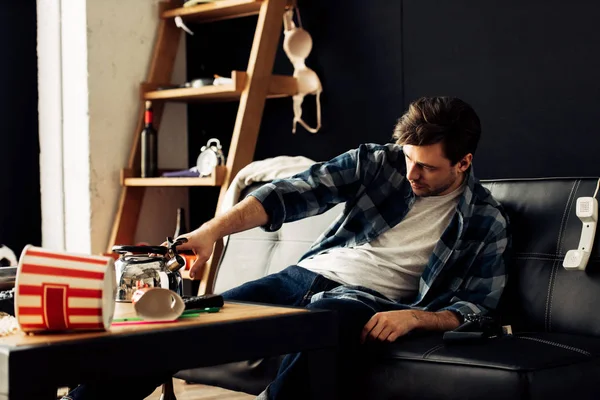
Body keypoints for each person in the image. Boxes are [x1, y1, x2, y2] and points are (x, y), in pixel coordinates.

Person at [64, 96, 511, 400]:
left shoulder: (484, 220)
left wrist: (414, 316)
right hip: (303, 276)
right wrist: (209, 232)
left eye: (427, 168)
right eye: (409, 158)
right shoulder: (378, 162)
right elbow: (286, 194)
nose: (411, 173)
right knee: (185, 327)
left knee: (321, 334)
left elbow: (479, 307)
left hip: (361, 303)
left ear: (463, 162)